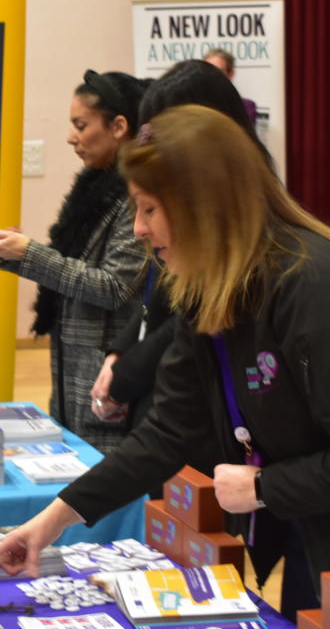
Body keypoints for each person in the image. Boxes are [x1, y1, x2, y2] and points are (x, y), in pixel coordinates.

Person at [0, 105, 330, 629]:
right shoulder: (210, 289)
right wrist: (52, 521)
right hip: (321, 530)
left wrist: (263, 487)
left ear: (203, 206)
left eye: (149, 209)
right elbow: (166, 432)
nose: (138, 228)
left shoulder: (319, 290)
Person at [90, 61, 265, 439]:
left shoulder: (253, 248)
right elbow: (162, 295)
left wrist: (127, 373)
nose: (140, 228)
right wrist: (122, 351)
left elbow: (188, 317)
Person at [0, 70, 147, 453]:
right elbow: (73, 269)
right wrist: (14, 254)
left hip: (105, 383)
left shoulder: (136, 197)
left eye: (81, 125)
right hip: (72, 375)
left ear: (119, 126)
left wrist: (29, 254)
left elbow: (113, 286)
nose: (71, 137)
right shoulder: (93, 189)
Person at [203, 48, 259, 126]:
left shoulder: (246, 107)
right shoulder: (194, 105)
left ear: (231, 74)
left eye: (219, 70)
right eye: (207, 70)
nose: (212, 74)